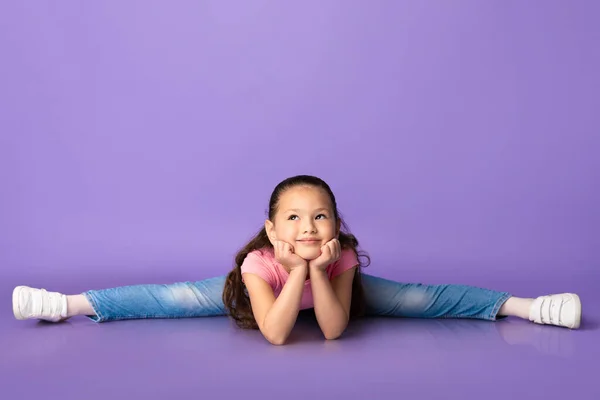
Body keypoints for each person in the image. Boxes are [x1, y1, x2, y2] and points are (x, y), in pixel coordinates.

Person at [12, 175, 582, 345]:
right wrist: (293, 273)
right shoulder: (256, 265)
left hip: (332, 290)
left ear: (337, 225)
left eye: (320, 217)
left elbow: (332, 329)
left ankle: (525, 307)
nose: (308, 228)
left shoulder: (344, 258)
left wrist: (318, 270)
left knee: (420, 298)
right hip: (263, 296)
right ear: (270, 227)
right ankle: (66, 303)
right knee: (174, 297)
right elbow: (279, 334)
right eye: (293, 218)